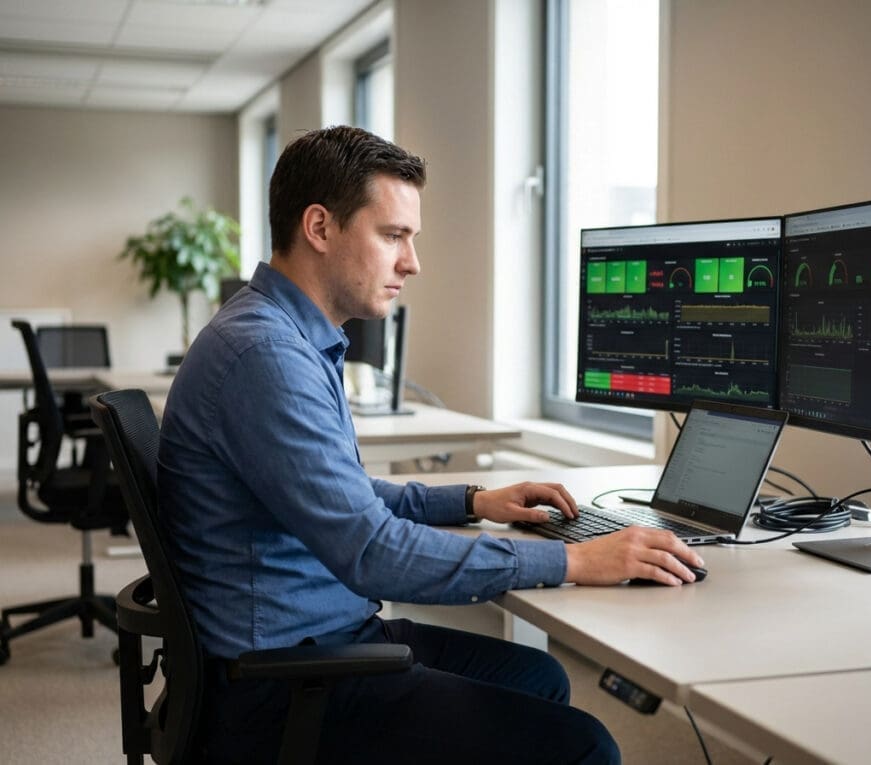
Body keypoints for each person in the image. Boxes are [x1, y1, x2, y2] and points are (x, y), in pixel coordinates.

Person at [158, 125, 704, 764]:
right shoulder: (265, 355)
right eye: (393, 236)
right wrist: (577, 563)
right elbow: (373, 553)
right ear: (320, 227)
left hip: (311, 640)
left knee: (541, 677)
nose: (411, 261)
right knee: (585, 748)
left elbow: (347, 494)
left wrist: (474, 500)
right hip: (280, 685)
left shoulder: (284, 335)